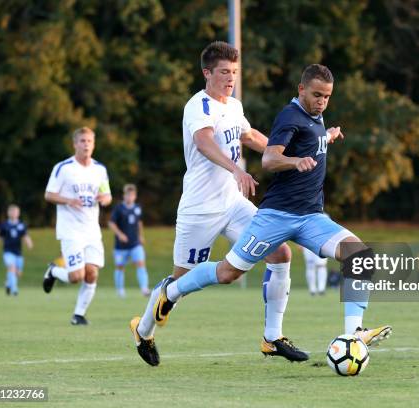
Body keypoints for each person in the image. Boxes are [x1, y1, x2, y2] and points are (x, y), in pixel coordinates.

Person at [153, 64, 392, 360]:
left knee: (359, 255)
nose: (322, 101)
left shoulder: (314, 116)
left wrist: (326, 137)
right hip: (276, 216)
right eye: (316, 95)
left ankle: (354, 333)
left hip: (311, 217)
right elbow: (269, 158)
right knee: (228, 272)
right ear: (301, 89)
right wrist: (294, 162)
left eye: (327, 96)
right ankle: (171, 292)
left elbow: (303, 142)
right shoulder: (290, 116)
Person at [129, 41, 297, 366]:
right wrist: (236, 169)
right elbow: (203, 141)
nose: (230, 78)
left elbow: (250, 137)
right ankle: (143, 330)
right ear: (207, 73)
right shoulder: (198, 106)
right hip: (200, 209)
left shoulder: (234, 106)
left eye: (234, 72)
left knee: (280, 251)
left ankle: (272, 338)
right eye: (223, 72)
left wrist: (287, 156)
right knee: (180, 283)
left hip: (233, 205)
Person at [42, 127, 112, 324]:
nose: (86, 144)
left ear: (94, 144)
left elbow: (107, 195)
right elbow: (49, 194)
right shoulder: (64, 168)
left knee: (92, 273)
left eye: (89, 141)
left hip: (92, 230)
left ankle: (78, 315)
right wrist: (68, 200)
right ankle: (53, 271)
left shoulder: (100, 169)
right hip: (71, 230)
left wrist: (104, 199)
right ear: (75, 144)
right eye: (82, 141)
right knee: (76, 276)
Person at [108, 184, 150, 297]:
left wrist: (141, 235)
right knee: (120, 266)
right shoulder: (119, 208)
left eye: (131, 195)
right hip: (121, 246)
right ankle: (120, 291)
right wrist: (120, 234)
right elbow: (111, 223)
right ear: (124, 195)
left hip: (135, 243)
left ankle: (144, 289)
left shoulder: (137, 208)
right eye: (127, 195)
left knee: (141, 264)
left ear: (135, 196)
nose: (129, 197)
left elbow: (139, 222)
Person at [0, 204, 33, 296]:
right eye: (12, 211)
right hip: (8, 252)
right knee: (12, 268)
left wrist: (29, 243)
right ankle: (14, 290)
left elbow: (25, 236)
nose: (14, 213)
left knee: (18, 273)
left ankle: (8, 283)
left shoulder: (21, 225)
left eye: (16, 212)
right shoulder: (4, 225)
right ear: (8, 213)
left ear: (18, 213)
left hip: (18, 253)